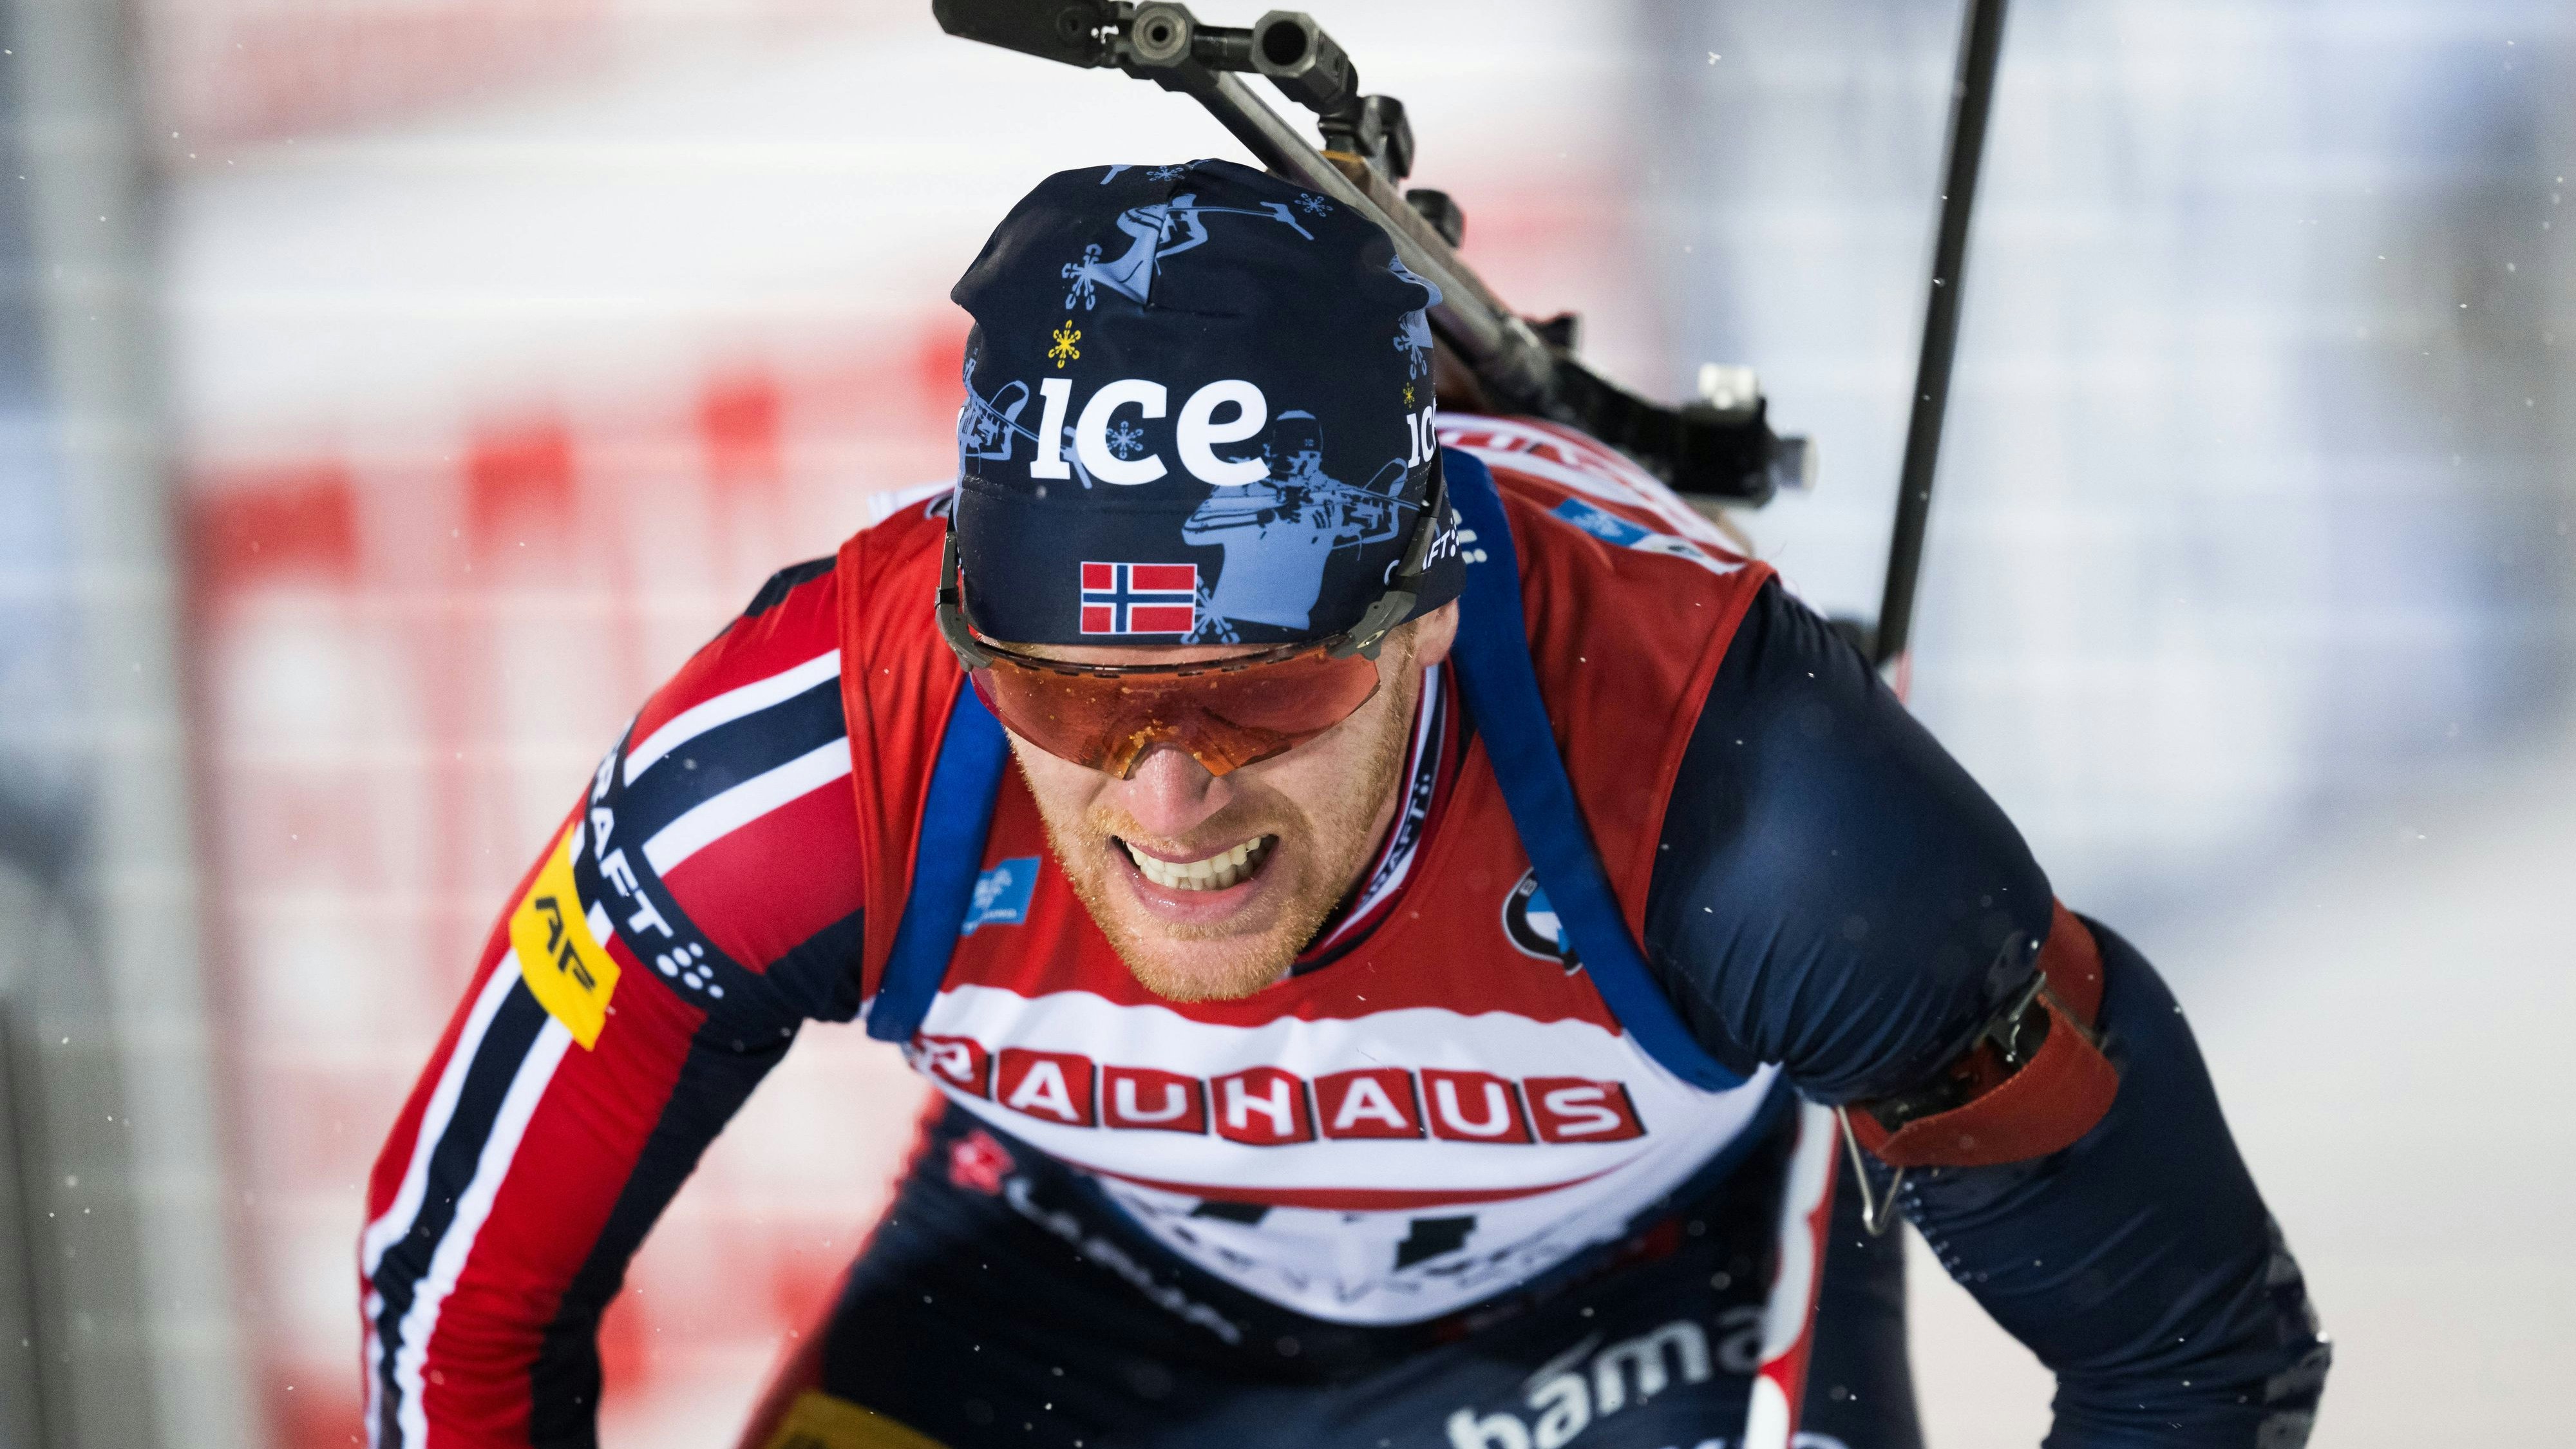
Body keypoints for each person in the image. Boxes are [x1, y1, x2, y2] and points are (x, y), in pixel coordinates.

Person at [360, 160, 2327, 1449]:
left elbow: (2189, 1350)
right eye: (1068, 696)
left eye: (1266, 689)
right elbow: (456, 1302)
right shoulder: (804, 754)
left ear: (1428, 610)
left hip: (1638, 1298)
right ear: (970, 637)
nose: (1170, 795)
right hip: (1069, 1283)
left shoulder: (1758, 809)